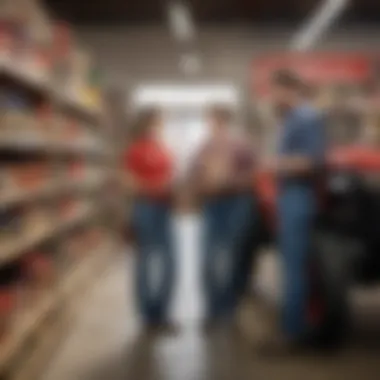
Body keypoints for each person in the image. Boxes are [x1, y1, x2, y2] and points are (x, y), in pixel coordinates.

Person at [264, 69, 326, 350]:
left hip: (298, 195)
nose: (273, 97)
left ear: (290, 90)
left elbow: (312, 161)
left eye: (276, 91)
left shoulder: (305, 117)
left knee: (294, 267)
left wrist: (276, 164)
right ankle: (293, 326)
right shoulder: (292, 119)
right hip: (289, 194)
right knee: (290, 266)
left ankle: (294, 332)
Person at [191, 106, 256, 327]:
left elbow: (252, 176)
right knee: (209, 258)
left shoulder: (241, 145)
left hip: (236, 204)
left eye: (216, 120)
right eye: (210, 120)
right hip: (212, 206)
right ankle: (212, 309)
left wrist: (229, 182)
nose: (213, 124)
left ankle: (228, 309)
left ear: (225, 121)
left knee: (231, 257)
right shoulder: (204, 147)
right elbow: (194, 175)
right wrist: (202, 185)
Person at [123, 108, 176, 330]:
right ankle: (147, 316)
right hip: (145, 209)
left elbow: (171, 175)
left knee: (169, 262)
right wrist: (155, 187)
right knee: (145, 262)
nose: (158, 127)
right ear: (145, 123)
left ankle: (161, 313)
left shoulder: (163, 148)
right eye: (156, 122)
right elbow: (128, 182)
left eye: (160, 123)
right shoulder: (135, 150)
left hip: (165, 209)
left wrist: (172, 187)